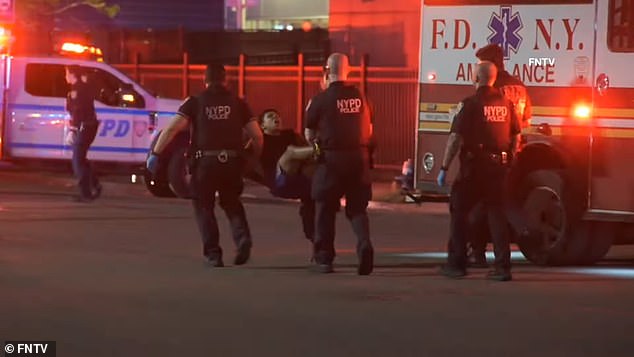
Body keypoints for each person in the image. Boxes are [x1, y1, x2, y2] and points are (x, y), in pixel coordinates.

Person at [146, 64, 263, 267]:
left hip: (205, 164)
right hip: (232, 162)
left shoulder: (195, 102)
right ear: (225, 80)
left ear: (205, 80)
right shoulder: (238, 103)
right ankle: (242, 239)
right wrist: (252, 159)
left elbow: (173, 128)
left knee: (203, 207)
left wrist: (156, 153)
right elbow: (257, 136)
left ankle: (213, 254)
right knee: (232, 202)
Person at [437, 61, 521, 281]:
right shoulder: (506, 104)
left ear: (475, 78)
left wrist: (444, 167)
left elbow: (455, 138)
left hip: (475, 168)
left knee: (459, 211)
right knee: (497, 215)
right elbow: (515, 137)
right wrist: (509, 160)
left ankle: (456, 263)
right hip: (498, 168)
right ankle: (503, 267)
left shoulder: (471, 104)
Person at [304, 53, 374, 275]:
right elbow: (369, 130)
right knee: (357, 209)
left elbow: (308, 134)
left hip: (331, 160)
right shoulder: (360, 97)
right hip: (358, 158)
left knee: (325, 208)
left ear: (327, 71)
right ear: (349, 70)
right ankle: (364, 243)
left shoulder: (320, 100)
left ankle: (324, 259)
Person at [467, 43, 533, 267]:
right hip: (514, 155)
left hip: (490, 157)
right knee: (501, 202)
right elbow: (525, 121)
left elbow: (485, 122)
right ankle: (522, 231)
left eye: (480, 63)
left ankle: (478, 252)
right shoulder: (519, 86)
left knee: (481, 206)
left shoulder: (494, 89)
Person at [256, 108, 316, 242]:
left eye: (277, 116)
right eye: (270, 117)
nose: (275, 118)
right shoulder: (260, 140)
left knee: (314, 165)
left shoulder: (290, 134)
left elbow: (305, 149)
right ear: (262, 125)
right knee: (291, 151)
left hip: (299, 177)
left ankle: (315, 236)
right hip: (279, 179)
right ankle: (322, 149)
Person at [65, 65, 102, 203]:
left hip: (84, 127)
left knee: (77, 161)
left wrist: (73, 130)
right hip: (88, 126)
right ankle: (95, 185)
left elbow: (77, 111)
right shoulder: (81, 88)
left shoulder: (78, 90)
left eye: (67, 73)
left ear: (73, 74)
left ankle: (86, 193)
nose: (66, 76)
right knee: (81, 158)